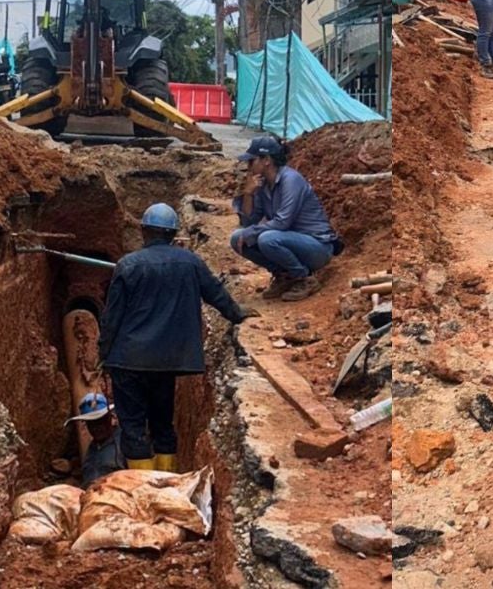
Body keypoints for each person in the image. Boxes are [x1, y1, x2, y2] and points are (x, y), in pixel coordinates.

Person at [99, 202, 250, 472]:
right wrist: (238, 314)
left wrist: (103, 353)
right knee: (162, 424)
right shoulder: (191, 262)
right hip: (166, 362)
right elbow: (216, 294)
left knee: (133, 427)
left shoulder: (128, 265)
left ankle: (144, 490)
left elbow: (112, 318)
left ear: (145, 232)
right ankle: (166, 482)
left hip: (128, 360)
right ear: (172, 234)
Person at [230, 136, 341, 302]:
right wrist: (248, 194)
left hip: (317, 246)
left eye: (252, 161)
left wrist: (251, 232)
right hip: (289, 241)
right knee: (237, 238)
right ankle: (284, 276)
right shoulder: (263, 185)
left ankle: (305, 279)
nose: (248, 166)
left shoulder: (291, 180)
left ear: (266, 160)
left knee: (267, 239)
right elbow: (249, 222)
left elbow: (283, 222)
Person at [64, 392, 126, 487]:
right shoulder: (92, 450)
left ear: (110, 418)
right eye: (91, 424)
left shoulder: (124, 442)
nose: (96, 428)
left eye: (100, 421)